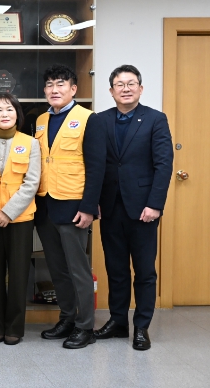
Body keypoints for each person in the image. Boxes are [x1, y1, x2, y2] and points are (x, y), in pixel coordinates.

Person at [94, 65, 173, 351]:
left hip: (143, 209)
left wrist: (155, 204)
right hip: (110, 207)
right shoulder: (100, 120)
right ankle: (117, 322)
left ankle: (141, 326)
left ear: (140, 88)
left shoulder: (155, 119)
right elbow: (95, 165)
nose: (125, 89)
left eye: (131, 83)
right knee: (116, 269)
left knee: (144, 270)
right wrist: (94, 202)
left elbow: (163, 165)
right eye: (119, 84)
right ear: (111, 90)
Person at [34, 64, 106, 349]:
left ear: (73, 89)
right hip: (45, 205)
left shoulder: (89, 119)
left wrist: (89, 207)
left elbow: (97, 167)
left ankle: (85, 326)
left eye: (61, 84)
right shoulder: (40, 120)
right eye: (50, 84)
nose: (55, 89)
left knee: (78, 269)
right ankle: (66, 318)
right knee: (57, 268)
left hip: (74, 206)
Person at [0, 94, 40, 345]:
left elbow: (32, 182)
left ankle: (14, 327)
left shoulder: (31, 143)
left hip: (20, 219)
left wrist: (8, 212)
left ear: (17, 114)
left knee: (18, 274)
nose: (4, 114)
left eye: (9, 109)